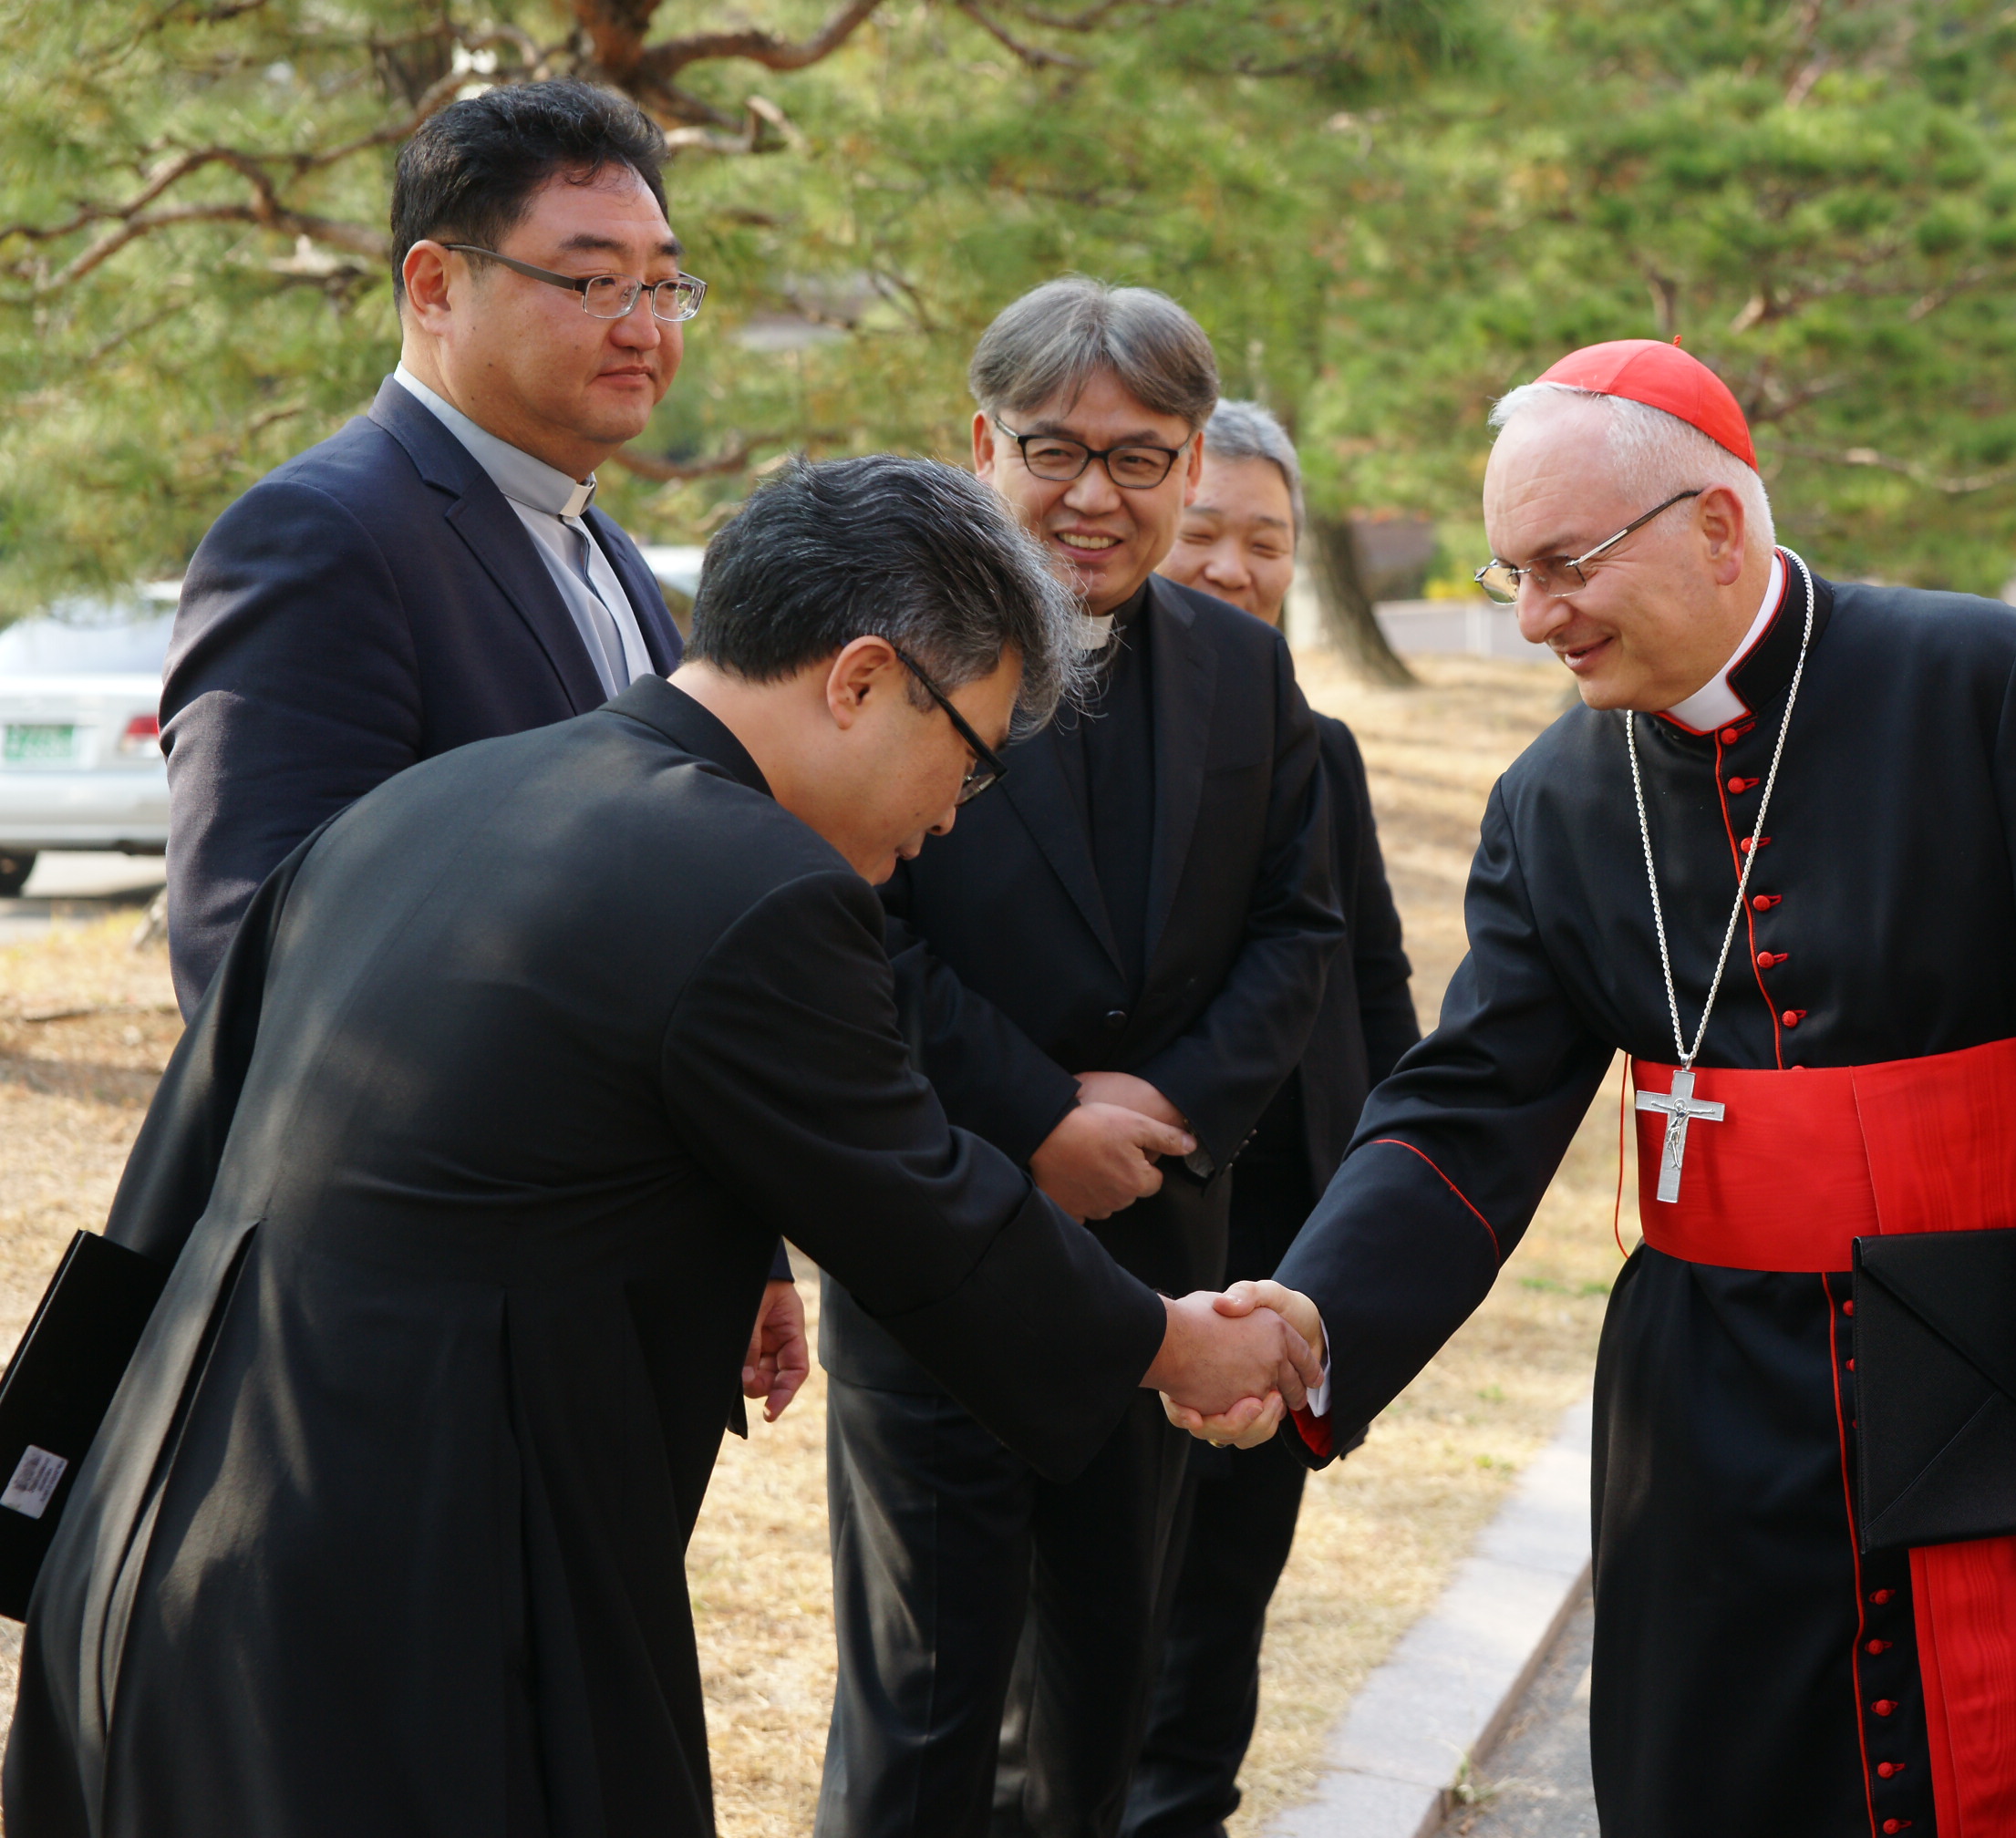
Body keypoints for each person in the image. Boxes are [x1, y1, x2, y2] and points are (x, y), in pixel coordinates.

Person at [3, 454, 1322, 1838]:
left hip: (148, 1538)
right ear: (862, 680)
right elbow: (926, 1216)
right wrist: (1177, 1344)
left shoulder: (423, 803)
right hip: (414, 1594)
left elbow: (181, 1165)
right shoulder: (765, 888)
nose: (953, 815)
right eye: (975, 760)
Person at [1184, 342, 2016, 1837]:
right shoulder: (1554, 803)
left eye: (1564, 565)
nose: (1537, 622)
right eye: (1513, 577)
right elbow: (1466, 1111)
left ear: (1715, 524)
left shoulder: (1981, 687)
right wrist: (1314, 1315)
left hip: (2002, 1384)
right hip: (1706, 1426)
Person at [155, 77, 812, 1420]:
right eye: (589, 282)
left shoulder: (612, 557)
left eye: (664, 285)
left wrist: (741, 1238)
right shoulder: (324, 538)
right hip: (428, 1336)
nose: (642, 327)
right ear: (434, 286)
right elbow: (252, 956)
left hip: (615, 1310)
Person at [813, 285, 1342, 1838]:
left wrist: (1167, 1106)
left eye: (1143, 457)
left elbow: (1298, 928)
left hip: (1158, 1266)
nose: (1096, 496)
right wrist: (1041, 1114)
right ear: (981, 444)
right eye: (1056, 451)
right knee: (923, 1722)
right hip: (942, 1253)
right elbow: (851, 923)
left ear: (1192, 467)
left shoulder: (1247, 674)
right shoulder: (882, 658)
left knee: (1105, 1701)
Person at [1125, 402, 1420, 1838]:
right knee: (1088, 1636)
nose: (1235, 567)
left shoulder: (1324, 749)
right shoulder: (1060, 742)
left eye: (1269, 543)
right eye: (1207, 532)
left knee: (1220, 1620)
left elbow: (1374, 986)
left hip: (1286, 1257)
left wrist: (1385, 1223)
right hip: (1129, 1249)